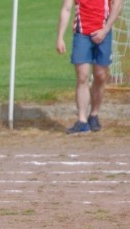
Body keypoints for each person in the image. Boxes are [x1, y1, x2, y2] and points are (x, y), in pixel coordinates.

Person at [56, 0, 124, 134]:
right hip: (81, 34)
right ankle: (82, 120)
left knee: (100, 76)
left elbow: (118, 4)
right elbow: (66, 8)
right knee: (82, 77)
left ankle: (94, 114)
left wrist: (105, 30)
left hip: (103, 31)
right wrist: (60, 37)